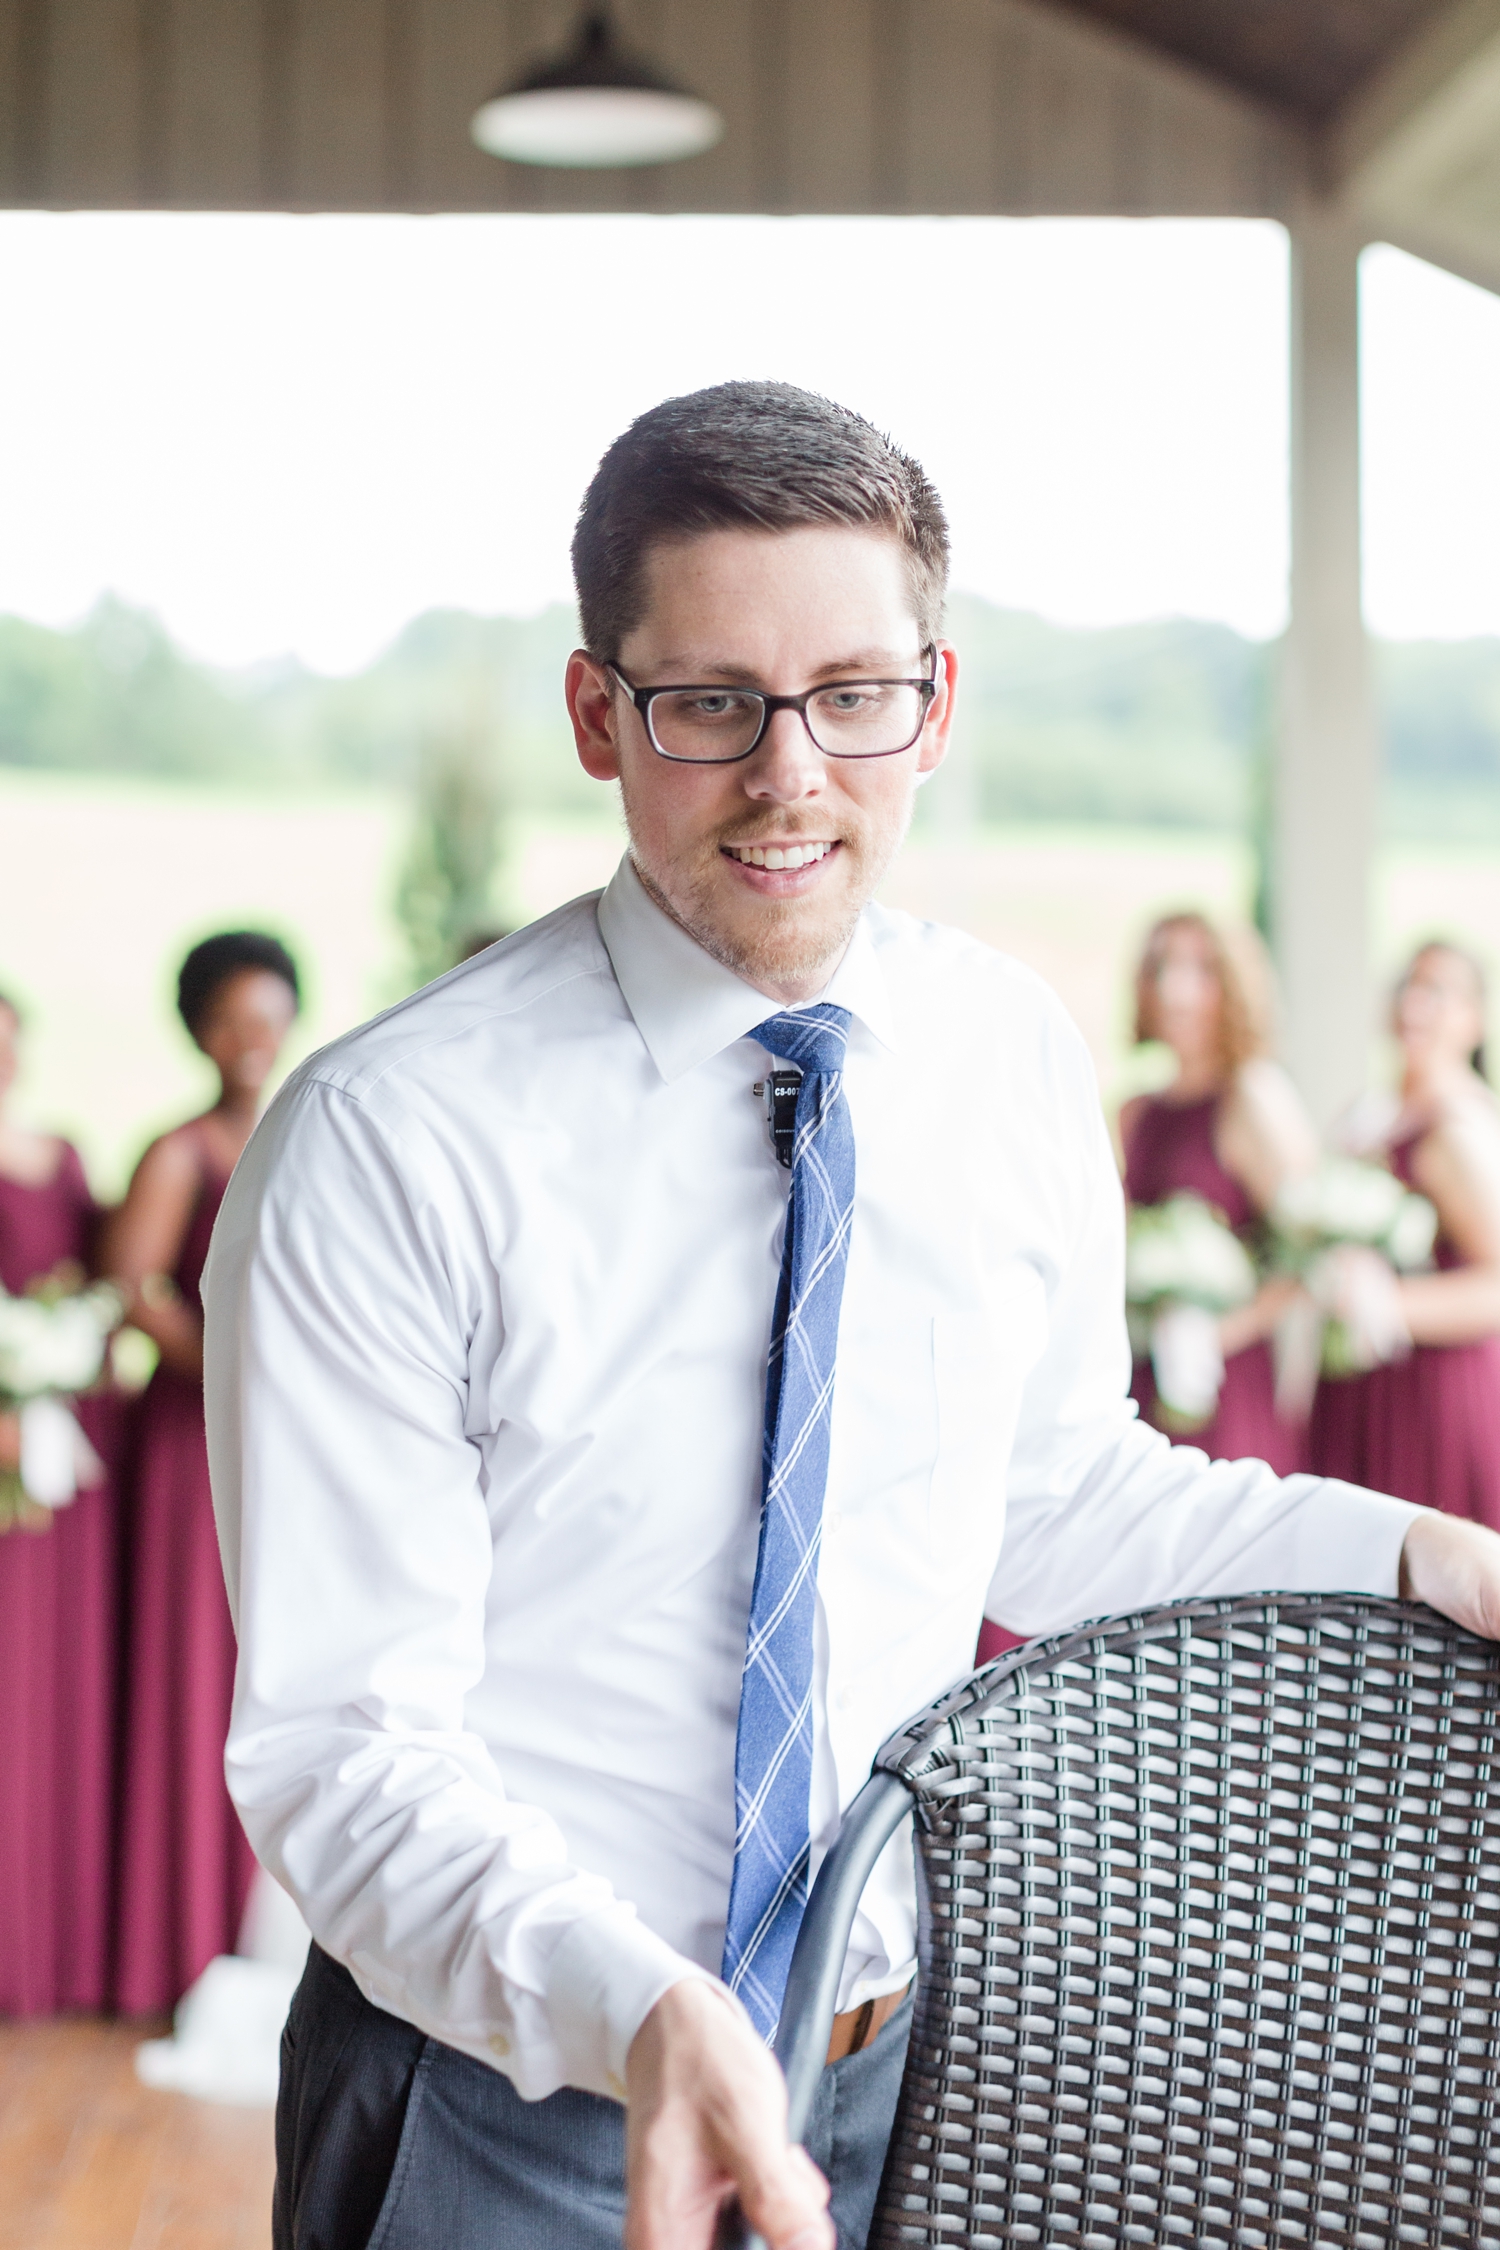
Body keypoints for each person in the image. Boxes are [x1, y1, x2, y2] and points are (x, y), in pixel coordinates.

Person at [205, 383, 1500, 2250]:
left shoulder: (1008, 1057)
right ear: (600, 716)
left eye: (854, 697)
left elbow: (1058, 1499)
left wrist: (1421, 1555)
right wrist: (643, 2015)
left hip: (906, 2081)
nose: (792, 774)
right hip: (504, 2105)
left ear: (936, 704)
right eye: (711, 701)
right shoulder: (389, 1140)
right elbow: (344, 1747)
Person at [108, 931, 300, 2015]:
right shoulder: (178, 1152)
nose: (252, 1042)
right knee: (190, 1672)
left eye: (268, 1019)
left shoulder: (295, 1128)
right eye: (232, 1022)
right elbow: (136, 1287)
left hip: (264, 1447)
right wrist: (225, 1367)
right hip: (188, 1447)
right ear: (199, 1031)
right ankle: (167, 1941)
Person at [0, 989, 121, 2016]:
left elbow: (93, 1285)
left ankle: (43, 1945)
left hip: (55, 1466)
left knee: (44, 1702)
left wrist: (61, 1366)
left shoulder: (65, 1156)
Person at [1309, 940, 1500, 1525]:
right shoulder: (1368, 1114)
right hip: (1359, 1383)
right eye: (1406, 987)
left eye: (1436, 991)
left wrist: (1384, 1300)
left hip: (1434, 1395)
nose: (1413, 1005)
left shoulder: (1459, 1132)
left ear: (1473, 1019)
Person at [1119, 911, 1316, 1474]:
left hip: (1227, 1383)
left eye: (1199, 969)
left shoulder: (1254, 1097)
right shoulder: (1134, 1112)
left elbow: (1308, 1256)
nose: (1175, 989)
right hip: (1143, 1380)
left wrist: (1213, 1333)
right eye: (1162, 967)